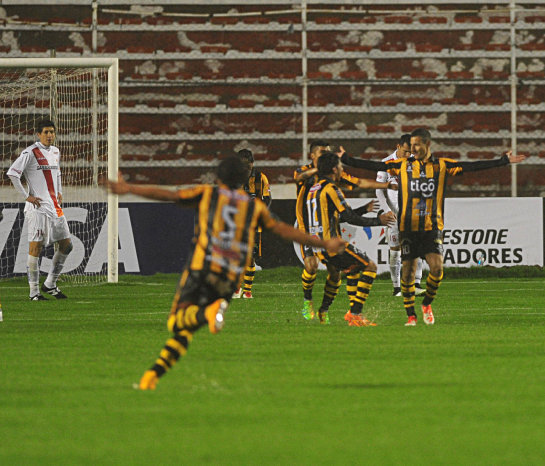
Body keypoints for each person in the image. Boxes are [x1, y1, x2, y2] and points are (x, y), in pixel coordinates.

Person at [105, 157, 345, 390]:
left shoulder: (209, 194)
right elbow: (283, 230)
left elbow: (170, 195)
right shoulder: (253, 206)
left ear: (218, 177)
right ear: (243, 179)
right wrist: (325, 245)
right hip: (230, 278)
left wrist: (128, 188)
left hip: (203, 268)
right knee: (184, 331)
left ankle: (208, 313)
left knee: (177, 321)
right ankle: (152, 376)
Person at [341, 127, 526, 326]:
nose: (413, 150)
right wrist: (347, 159)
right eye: (411, 146)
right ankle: (411, 316)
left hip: (432, 226)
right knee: (408, 272)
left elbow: (471, 166)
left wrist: (503, 161)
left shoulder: (442, 166)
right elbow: (375, 165)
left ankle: (427, 303)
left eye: (416, 145)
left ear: (427, 144)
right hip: (408, 227)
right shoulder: (402, 165)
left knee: (437, 269)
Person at [294, 140, 392, 321]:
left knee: (342, 272)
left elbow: (357, 187)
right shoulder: (322, 183)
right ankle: (352, 313)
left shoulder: (315, 189)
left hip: (321, 240)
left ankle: (325, 311)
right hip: (317, 236)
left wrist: (385, 187)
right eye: (338, 165)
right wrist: (379, 220)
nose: (341, 169)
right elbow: (348, 217)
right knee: (367, 266)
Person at [7, 119, 72, 300]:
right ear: (38, 134)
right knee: (36, 248)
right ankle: (34, 292)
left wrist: (59, 191)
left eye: (52, 132)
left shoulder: (55, 151)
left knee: (67, 245)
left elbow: (57, 172)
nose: (50, 135)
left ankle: (50, 283)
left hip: (54, 206)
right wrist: (26, 196)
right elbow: (12, 173)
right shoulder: (30, 152)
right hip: (37, 208)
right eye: (46, 132)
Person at [376, 134, 425, 297]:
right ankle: (397, 287)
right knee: (395, 250)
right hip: (394, 215)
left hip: (413, 212)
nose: (408, 155)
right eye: (405, 151)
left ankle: (416, 283)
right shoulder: (386, 163)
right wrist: (386, 210)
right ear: (398, 146)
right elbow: (379, 190)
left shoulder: (416, 162)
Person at [232, 149, 271, 299]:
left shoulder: (261, 178)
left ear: (252, 164)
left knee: (250, 257)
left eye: (247, 167)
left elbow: (267, 199)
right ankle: (237, 289)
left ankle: (247, 290)